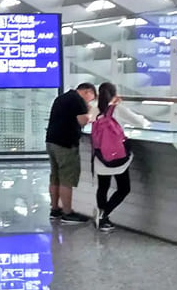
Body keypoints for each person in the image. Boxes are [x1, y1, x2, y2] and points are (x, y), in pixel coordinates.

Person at [90, 82, 150, 231]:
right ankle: (104, 215)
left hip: (100, 155)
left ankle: (102, 218)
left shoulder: (95, 109)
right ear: (114, 93)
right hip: (117, 156)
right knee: (124, 188)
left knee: (102, 187)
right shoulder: (118, 109)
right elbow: (140, 122)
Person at [46, 82, 96, 224]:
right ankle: (67, 213)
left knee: (55, 177)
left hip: (51, 141)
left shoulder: (62, 97)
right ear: (87, 91)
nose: (90, 100)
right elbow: (82, 121)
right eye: (91, 97)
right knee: (66, 179)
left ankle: (55, 210)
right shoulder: (77, 100)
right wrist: (90, 111)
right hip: (65, 144)